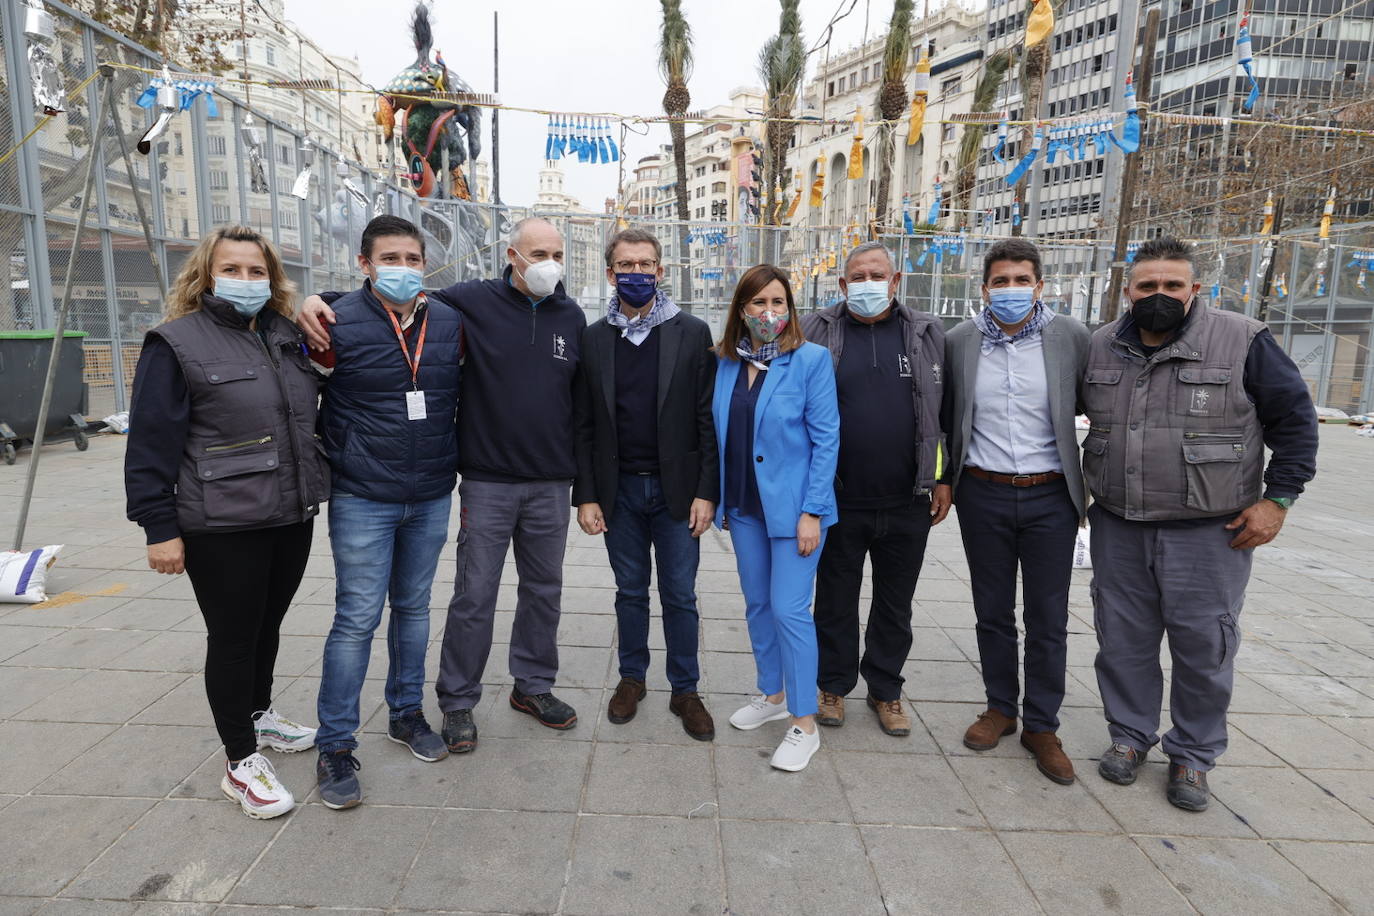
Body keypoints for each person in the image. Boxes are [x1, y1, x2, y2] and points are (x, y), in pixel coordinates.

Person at [299, 217, 586, 754]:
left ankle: (532, 687)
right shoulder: (470, 302)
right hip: (478, 480)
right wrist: (315, 298)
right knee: (467, 596)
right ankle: (453, 702)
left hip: (542, 481)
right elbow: (383, 303)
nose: (548, 262)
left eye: (556, 252)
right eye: (537, 252)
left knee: (541, 592)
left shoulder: (570, 316)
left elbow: (584, 404)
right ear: (511, 254)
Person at [1083, 236, 1317, 811]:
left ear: (1195, 290)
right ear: (1127, 290)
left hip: (1210, 530)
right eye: (1146, 286)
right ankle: (1130, 737)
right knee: (1123, 644)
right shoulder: (1099, 348)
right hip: (1120, 524)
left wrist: (1278, 500)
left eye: (1172, 285)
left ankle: (1192, 754)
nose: (1158, 295)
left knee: (1204, 647)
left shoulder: (1243, 340)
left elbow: (1294, 422)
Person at [125, 225, 329, 820]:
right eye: (232, 269)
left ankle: (259, 716)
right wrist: (158, 528)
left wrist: (324, 301)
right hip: (220, 524)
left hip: (288, 513)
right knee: (235, 637)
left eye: (257, 270)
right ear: (205, 275)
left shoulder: (284, 334)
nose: (246, 280)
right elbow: (150, 447)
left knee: (268, 625)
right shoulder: (175, 343)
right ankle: (240, 760)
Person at [309, 216, 463, 810]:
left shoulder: (448, 321)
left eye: (413, 257)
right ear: (365, 263)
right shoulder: (334, 319)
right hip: (363, 495)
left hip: (429, 493)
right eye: (390, 257)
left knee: (415, 609)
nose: (403, 267)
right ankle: (335, 743)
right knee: (356, 619)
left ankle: (405, 713)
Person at [932, 238, 1090, 786]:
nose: (1011, 290)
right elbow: (945, 415)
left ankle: (1042, 726)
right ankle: (1001, 707)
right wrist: (942, 480)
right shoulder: (959, 342)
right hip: (984, 492)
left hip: (1051, 496)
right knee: (992, 609)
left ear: (1040, 286)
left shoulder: (1070, 336)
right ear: (984, 288)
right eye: (1001, 281)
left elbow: (1101, 406)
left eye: (1022, 280)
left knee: (1048, 617)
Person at [573, 228, 718, 740]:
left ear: (661, 270)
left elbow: (707, 420)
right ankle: (632, 678)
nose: (637, 274)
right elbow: (584, 423)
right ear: (611, 273)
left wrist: (707, 491)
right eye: (627, 265)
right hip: (620, 494)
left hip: (677, 492)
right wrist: (586, 495)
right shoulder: (593, 339)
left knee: (680, 593)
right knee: (630, 591)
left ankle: (686, 688)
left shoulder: (692, 332)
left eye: (647, 264)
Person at [800, 241, 945, 738]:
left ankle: (886, 689)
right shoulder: (815, 330)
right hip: (839, 497)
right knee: (835, 597)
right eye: (857, 276)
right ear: (842, 285)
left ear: (896, 279)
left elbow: (944, 412)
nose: (867, 283)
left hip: (907, 498)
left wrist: (942, 479)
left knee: (895, 603)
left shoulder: (926, 333)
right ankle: (832, 685)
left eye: (876, 274)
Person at [713, 264, 839, 772]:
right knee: (758, 605)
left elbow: (827, 438)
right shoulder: (723, 363)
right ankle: (774, 693)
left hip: (796, 514)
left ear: (791, 309)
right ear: (741, 309)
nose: (769, 313)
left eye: (779, 303)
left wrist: (812, 511)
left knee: (790, 610)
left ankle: (804, 723)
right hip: (744, 508)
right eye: (759, 303)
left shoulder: (811, 360)